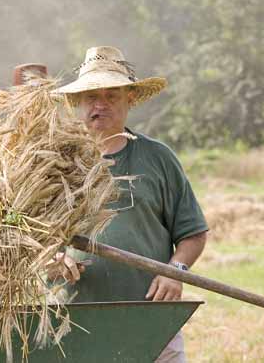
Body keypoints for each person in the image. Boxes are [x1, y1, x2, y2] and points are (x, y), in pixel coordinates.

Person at [52, 46, 209, 363]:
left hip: (150, 317)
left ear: (130, 100)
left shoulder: (158, 158)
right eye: (92, 96)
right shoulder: (55, 163)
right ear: (77, 103)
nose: (101, 105)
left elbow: (192, 232)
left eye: (112, 96)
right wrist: (51, 258)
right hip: (73, 318)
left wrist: (175, 272)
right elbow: (27, 235)